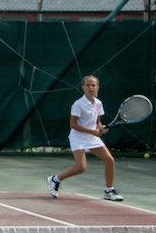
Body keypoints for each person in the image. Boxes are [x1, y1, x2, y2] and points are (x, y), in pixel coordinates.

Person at [47, 74, 124, 202]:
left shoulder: (98, 103)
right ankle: (55, 179)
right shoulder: (78, 104)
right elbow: (73, 124)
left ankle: (109, 191)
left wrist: (100, 128)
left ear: (97, 87)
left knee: (110, 160)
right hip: (78, 137)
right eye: (88, 85)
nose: (91, 87)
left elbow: (98, 122)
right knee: (81, 167)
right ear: (83, 87)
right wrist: (92, 131)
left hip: (92, 137)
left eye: (93, 85)